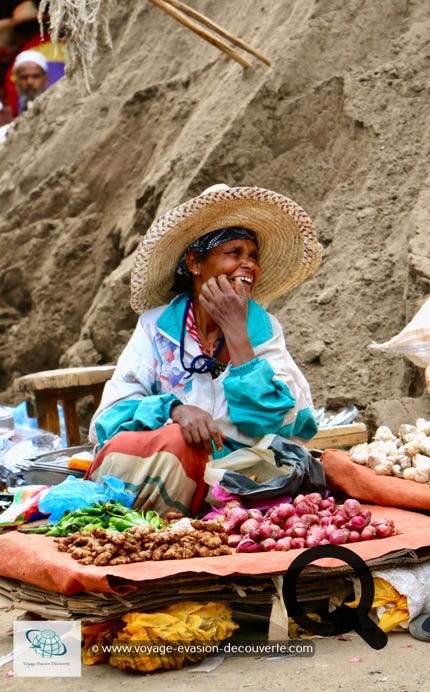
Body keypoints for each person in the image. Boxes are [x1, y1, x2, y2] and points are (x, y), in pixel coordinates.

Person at [85, 184, 323, 517]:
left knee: (185, 447)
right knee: (137, 446)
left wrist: (237, 332)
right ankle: (147, 528)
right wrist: (173, 411)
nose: (248, 265)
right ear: (196, 263)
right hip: (174, 467)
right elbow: (109, 417)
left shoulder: (262, 329)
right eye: (234, 253)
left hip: (242, 480)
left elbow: (275, 420)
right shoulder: (157, 327)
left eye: (252, 256)